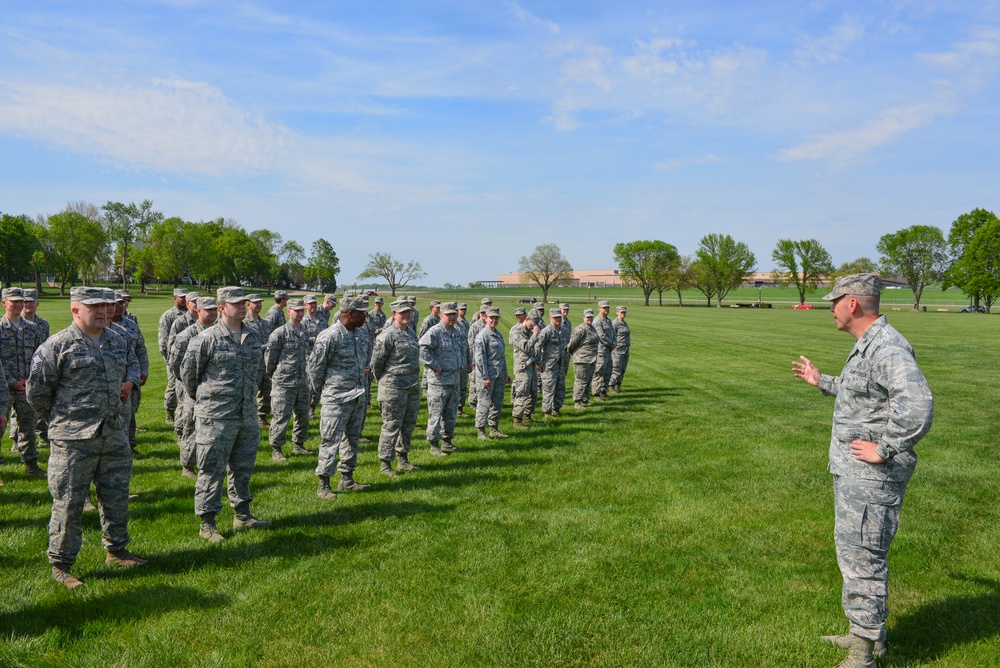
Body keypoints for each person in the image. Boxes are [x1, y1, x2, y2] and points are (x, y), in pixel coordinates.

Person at [792, 273, 933, 668]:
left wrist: (884, 449)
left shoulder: (886, 347)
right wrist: (822, 381)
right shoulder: (867, 346)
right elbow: (862, 392)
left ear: (852, 304)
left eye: (833, 301)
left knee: (863, 559)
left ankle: (863, 655)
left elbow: (918, 407)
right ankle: (865, 634)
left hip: (872, 477)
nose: (830, 309)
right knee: (856, 554)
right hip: (855, 474)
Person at [28, 287, 146, 590]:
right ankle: (62, 564)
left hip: (114, 434)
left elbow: (132, 362)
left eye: (106, 306)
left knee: (116, 496)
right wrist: (62, 422)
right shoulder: (56, 346)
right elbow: (37, 392)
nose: (103, 312)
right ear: (75, 310)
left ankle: (116, 551)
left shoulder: (117, 339)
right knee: (69, 503)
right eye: (93, 307)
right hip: (73, 441)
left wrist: (131, 380)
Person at [182, 286, 272, 543]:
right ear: (222, 308)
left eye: (243, 302)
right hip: (216, 417)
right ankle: (207, 523)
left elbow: (257, 371)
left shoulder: (252, 336)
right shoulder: (206, 339)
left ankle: (242, 515)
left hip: (246, 415)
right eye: (235, 303)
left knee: (243, 469)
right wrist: (209, 403)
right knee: (211, 470)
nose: (242, 307)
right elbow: (189, 376)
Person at [308, 297, 372, 497]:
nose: (365, 316)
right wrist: (322, 392)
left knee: (351, 440)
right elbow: (315, 369)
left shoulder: (361, 334)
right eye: (362, 313)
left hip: (357, 395)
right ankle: (324, 484)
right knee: (330, 441)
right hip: (336, 397)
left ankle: (347, 478)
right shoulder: (329, 336)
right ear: (350, 314)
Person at [169, 296, 219, 479]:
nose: (213, 313)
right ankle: (188, 466)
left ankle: (210, 462)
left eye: (215, 310)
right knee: (190, 428)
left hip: (213, 392)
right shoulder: (186, 336)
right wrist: (189, 384)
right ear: (199, 311)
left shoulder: (221, 333)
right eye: (208, 310)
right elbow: (175, 364)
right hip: (191, 391)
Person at [371, 299, 420, 476]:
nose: (406, 315)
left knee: (408, 425)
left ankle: (403, 460)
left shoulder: (411, 333)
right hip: (393, 388)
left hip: (412, 386)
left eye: (409, 312)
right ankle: (385, 464)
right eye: (402, 313)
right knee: (391, 426)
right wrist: (386, 381)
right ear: (394, 315)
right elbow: (376, 363)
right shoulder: (387, 336)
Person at [1, 287, 45, 478]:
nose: (19, 304)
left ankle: (31, 466)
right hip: (3, 387)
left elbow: (40, 357)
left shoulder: (33, 328)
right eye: (14, 301)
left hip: (26, 387)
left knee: (28, 427)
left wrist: (29, 380)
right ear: (4, 303)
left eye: (21, 301)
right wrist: (12, 382)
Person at [266, 299, 312, 461]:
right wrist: (276, 375)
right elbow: (270, 360)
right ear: (289, 311)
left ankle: (299, 445)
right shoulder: (279, 334)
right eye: (296, 310)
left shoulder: (304, 332)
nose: (299, 314)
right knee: (281, 417)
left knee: (303, 416)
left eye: (301, 311)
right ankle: (276, 449)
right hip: (284, 383)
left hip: (302, 382)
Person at [419, 302, 466, 456]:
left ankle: (447, 442)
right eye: (448, 315)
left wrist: (462, 363)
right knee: (436, 414)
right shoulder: (435, 331)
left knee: (451, 414)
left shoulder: (456, 332)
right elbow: (421, 348)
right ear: (441, 316)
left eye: (454, 314)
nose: (452, 317)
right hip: (439, 382)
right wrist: (434, 365)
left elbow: (461, 349)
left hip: (454, 379)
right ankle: (434, 445)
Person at [110, 291, 150, 453]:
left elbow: (140, 350)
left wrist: (142, 372)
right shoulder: (101, 326)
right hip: (111, 379)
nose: (119, 306)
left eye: (121, 303)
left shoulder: (131, 326)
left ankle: (129, 444)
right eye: (115, 303)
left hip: (129, 378)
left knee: (130, 412)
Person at [474, 307, 509, 440]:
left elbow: (501, 356)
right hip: (487, 376)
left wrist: (505, 373)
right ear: (485, 318)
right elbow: (480, 358)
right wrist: (485, 377)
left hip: (498, 374)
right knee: (484, 403)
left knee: (497, 402)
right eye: (491, 318)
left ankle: (494, 428)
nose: (494, 320)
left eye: (496, 318)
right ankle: (481, 431)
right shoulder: (482, 335)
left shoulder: (498, 334)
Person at [157, 288, 187, 423]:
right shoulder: (168, 316)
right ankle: (170, 413)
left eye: (186, 297)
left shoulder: (193, 314)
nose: (184, 299)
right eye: (181, 297)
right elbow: (164, 340)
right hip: (173, 358)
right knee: (173, 385)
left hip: (189, 357)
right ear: (174, 298)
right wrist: (169, 360)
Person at [244, 294, 273, 429]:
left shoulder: (265, 323)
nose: (259, 305)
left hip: (266, 364)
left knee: (266, 393)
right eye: (256, 303)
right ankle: (247, 420)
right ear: (248, 304)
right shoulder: (244, 323)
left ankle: (262, 418)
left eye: (260, 303)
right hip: (251, 365)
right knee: (250, 394)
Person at [567, 309, 599, 409]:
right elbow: (572, 345)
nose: (589, 319)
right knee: (580, 381)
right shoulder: (580, 329)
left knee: (588, 380)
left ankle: (585, 399)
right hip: (582, 360)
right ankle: (577, 401)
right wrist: (577, 355)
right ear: (583, 317)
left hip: (592, 359)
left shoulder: (592, 328)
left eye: (591, 317)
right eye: (587, 317)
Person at [536, 309, 565, 418]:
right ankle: (547, 412)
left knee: (560, 388)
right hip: (548, 366)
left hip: (559, 364)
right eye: (555, 317)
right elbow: (537, 347)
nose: (558, 319)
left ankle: (556, 409)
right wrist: (538, 362)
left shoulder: (562, 330)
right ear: (550, 318)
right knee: (549, 389)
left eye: (559, 317)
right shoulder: (546, 331)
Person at [590, 300, 616, 401]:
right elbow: (601, 336)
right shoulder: (597, 321)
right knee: (599, 372)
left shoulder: (609, 321)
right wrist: (611, 344)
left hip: (609, 350)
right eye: (604, 307)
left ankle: (603, 391)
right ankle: (596, 393)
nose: (606, 309)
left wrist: (615, 342)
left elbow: (613, 333)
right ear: (599, 308)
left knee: (608, 371)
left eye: (607, 307)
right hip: (601, 350)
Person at [466, 306, 488, 413]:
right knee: (474, 381)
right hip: (475, 358)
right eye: (483, 313)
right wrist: (471, 360)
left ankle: (481, 401)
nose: (484, 316)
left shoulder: (487, 326)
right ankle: (473, 401)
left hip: (485, 359)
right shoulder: (475, 326)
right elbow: (470, 344)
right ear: (480, 314)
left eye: (486, 314)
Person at [609, 306, 631, 394]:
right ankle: (611, 386)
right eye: (621, 312)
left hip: (625, 350)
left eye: (624, 312)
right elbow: (612, 336)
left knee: (622, 369)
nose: (623, 314)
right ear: (617, 313)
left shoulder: (624, 323)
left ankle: (618, 386)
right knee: (616, 369)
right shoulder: (614, 323)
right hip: (617, 350)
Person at [455, 303, 471, 417]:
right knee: (456, 386)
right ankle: (454, 409)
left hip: (464, 359)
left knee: (463, 386)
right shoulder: (455, 324)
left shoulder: (465, 322)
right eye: (461, 309)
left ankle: (460, 409)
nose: (463, 311)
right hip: (456, 361)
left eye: (465, 309)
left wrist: (469, 361)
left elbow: (468, 343)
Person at [557, 303, 573, 410]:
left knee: (565, 370)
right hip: (558, 351)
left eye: (567, 310)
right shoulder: (557, 321)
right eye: (563, 310)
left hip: (566, 350)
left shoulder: (568, 323)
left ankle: (561, 387)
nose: (565, 311)